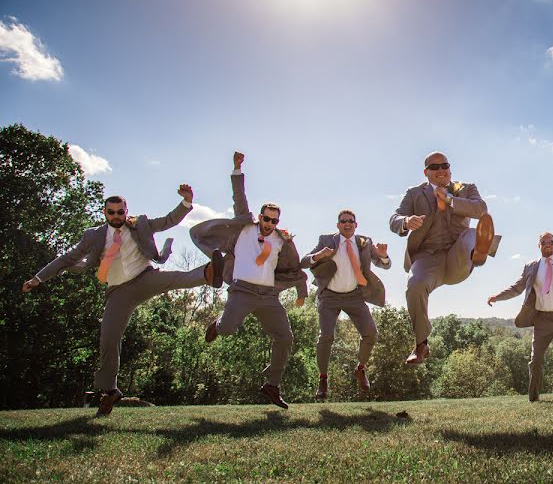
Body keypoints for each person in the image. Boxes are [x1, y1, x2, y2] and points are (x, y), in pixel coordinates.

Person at [23, 185, 224, 416]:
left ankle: (208, 273)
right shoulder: (93, 236)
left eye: (120, 212)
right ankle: (110, 391)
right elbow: (67, 258)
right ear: (105, 213)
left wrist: (186, 202)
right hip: (118, 290)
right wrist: (38, 278)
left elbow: (168, 221)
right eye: (111, 212)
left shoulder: (140, 223)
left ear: (126, 211)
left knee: (173, 279)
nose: (116, 216)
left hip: (144, 277)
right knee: (108, 338)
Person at [190, 151, 307, 409]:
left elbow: (295, 268)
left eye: (274, 220)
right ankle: (217, 324)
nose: (269, 223)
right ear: (260, 216)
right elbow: (239, 198)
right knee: (228, 329)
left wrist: (301, 292)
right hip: (241, 291)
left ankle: (271, 385)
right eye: (266, 218)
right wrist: (237, 169)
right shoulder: (244, 228)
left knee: (285, 337)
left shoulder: (281, 240)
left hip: (268, 296)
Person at [389, 151, 499, 365]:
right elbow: (394, 218)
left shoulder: (465, 189)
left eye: (444, 165)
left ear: (450, 169)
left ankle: (479, 253)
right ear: (426, 172)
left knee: (469, 234)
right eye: (435, 167)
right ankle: (421, 345)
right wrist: (406, 221)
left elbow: (481, 209)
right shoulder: (414, 194)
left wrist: (449, 200)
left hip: (457, 255)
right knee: (414, 286)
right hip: (427, 257)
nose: (441, 170)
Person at [301, 209, 391, 399]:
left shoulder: (364, 242)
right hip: (329, 297)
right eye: (343, 221)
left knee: (371, 333)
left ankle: (360, 369)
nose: (347, 224)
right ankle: (323, 379)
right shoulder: (326, 240)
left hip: (354, 296)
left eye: (350, 221)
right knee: (326, 337)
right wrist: (318, 255)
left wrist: (383, 256)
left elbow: (384, 264)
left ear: (356, 225)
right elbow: (304, 261)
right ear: (338, 225)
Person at [488, 232, 553, 401]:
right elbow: (517, 287)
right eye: (544, 242)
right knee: (536, 360)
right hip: (542, 319)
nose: (548, 244)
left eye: (551, 242)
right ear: (539, 245)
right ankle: (533, 397)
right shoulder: (531, 266)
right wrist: (497, 297)